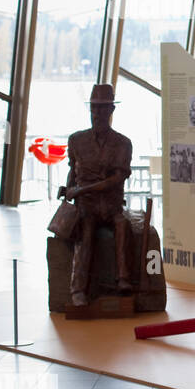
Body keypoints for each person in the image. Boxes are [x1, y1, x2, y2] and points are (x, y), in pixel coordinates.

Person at [59, 84, 134, 307]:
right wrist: (68, 191)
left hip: (111, 204)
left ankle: (123, 279)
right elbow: (73, 170)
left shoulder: (123, 143)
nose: (97, 113)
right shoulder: (76, 140)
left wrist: (80, 190)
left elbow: (115, 180)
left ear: (111, 110)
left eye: (102, 109)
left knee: (121, 225)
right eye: (94, 108)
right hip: (87, 206)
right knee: (85, 228)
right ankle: (78, 289)